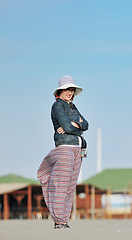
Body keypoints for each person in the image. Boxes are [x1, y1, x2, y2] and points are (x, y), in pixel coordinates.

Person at [37, 75, 89, 229]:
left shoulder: (72, 107)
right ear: (60, 91)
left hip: (78, 149)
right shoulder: (57, 106)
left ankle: (64, 220)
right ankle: (59, 219)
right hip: (65, 148)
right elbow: (67, 127)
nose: (70, 92)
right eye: (67, 89)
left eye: (72, 89)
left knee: (70, 186)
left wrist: (76, 125)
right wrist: (74, 125)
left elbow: (86, 124)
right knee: (61, 185)